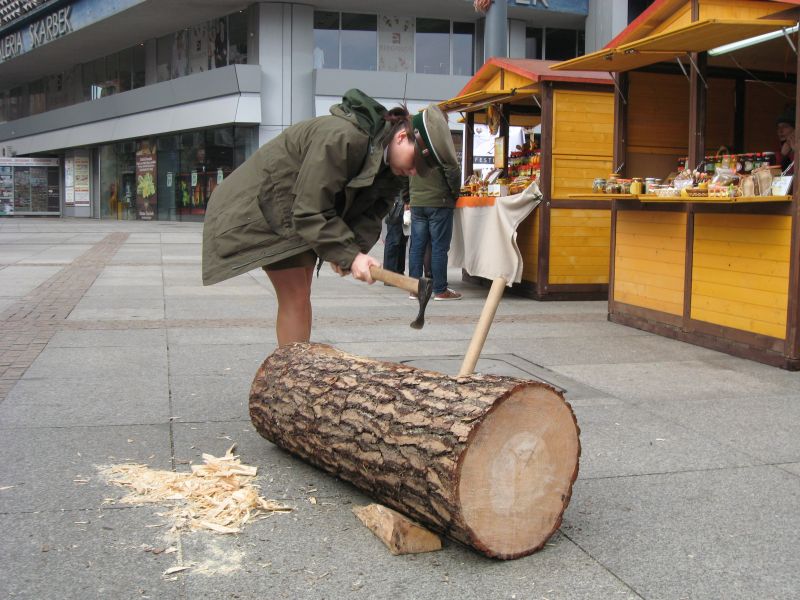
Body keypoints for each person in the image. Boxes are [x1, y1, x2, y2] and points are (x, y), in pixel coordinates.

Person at [202, 89, 456, 345]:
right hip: (266, 207)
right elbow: (310, 209)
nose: (413, 172)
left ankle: (298, 370)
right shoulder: (343, 137)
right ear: (402, 136)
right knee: (296, 295)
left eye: (420, 171)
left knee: (301, 294)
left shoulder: (390, 168)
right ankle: (293, 377)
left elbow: (370, 214)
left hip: (295, 212)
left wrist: (349, 250)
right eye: (415, 163)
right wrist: (349, 255)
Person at [408, 105, 462, 301]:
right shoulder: (440, 142)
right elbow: (452, 170)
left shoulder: (414, 142)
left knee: (417, 246)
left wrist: (409, 197)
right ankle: (440, 289)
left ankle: (414, 288)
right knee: (439, 247)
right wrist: (454, 192)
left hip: (417, 202)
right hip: (439, 201)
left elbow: (405, 173)